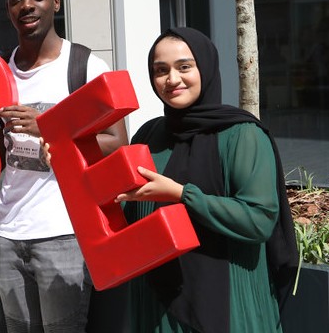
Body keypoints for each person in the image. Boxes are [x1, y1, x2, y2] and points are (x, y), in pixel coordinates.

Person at [0, 0, 128, 332]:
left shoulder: (86, 66)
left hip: (65, 234)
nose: (26, 5)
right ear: (8, 8)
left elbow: (116, 143)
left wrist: (49, 128)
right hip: (9, 234)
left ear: (56, 2)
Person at [116, 27, 298, 333]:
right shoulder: (148, 135)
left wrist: (183, 195)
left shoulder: (242, 135)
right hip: (157, 307)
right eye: (160, 70)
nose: (172, 79)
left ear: (206, 67)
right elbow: (126, 213)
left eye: (184, 67)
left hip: (227, 303)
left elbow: (259, 218)